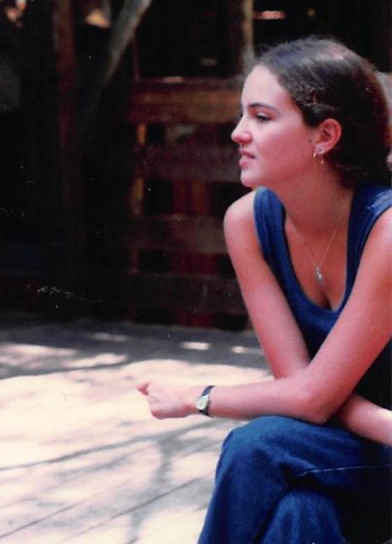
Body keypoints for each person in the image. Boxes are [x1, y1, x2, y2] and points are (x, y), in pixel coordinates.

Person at [137, 37, 392, 542]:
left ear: (326, 135)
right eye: (241, 116)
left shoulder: (386, 230)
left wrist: (197, 397)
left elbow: (311, 399)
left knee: (258, 447)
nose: (237, 134)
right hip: (340, 447)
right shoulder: (248, 224)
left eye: (261, 117)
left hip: (365, 460)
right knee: (300, 515)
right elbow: (303, 394)